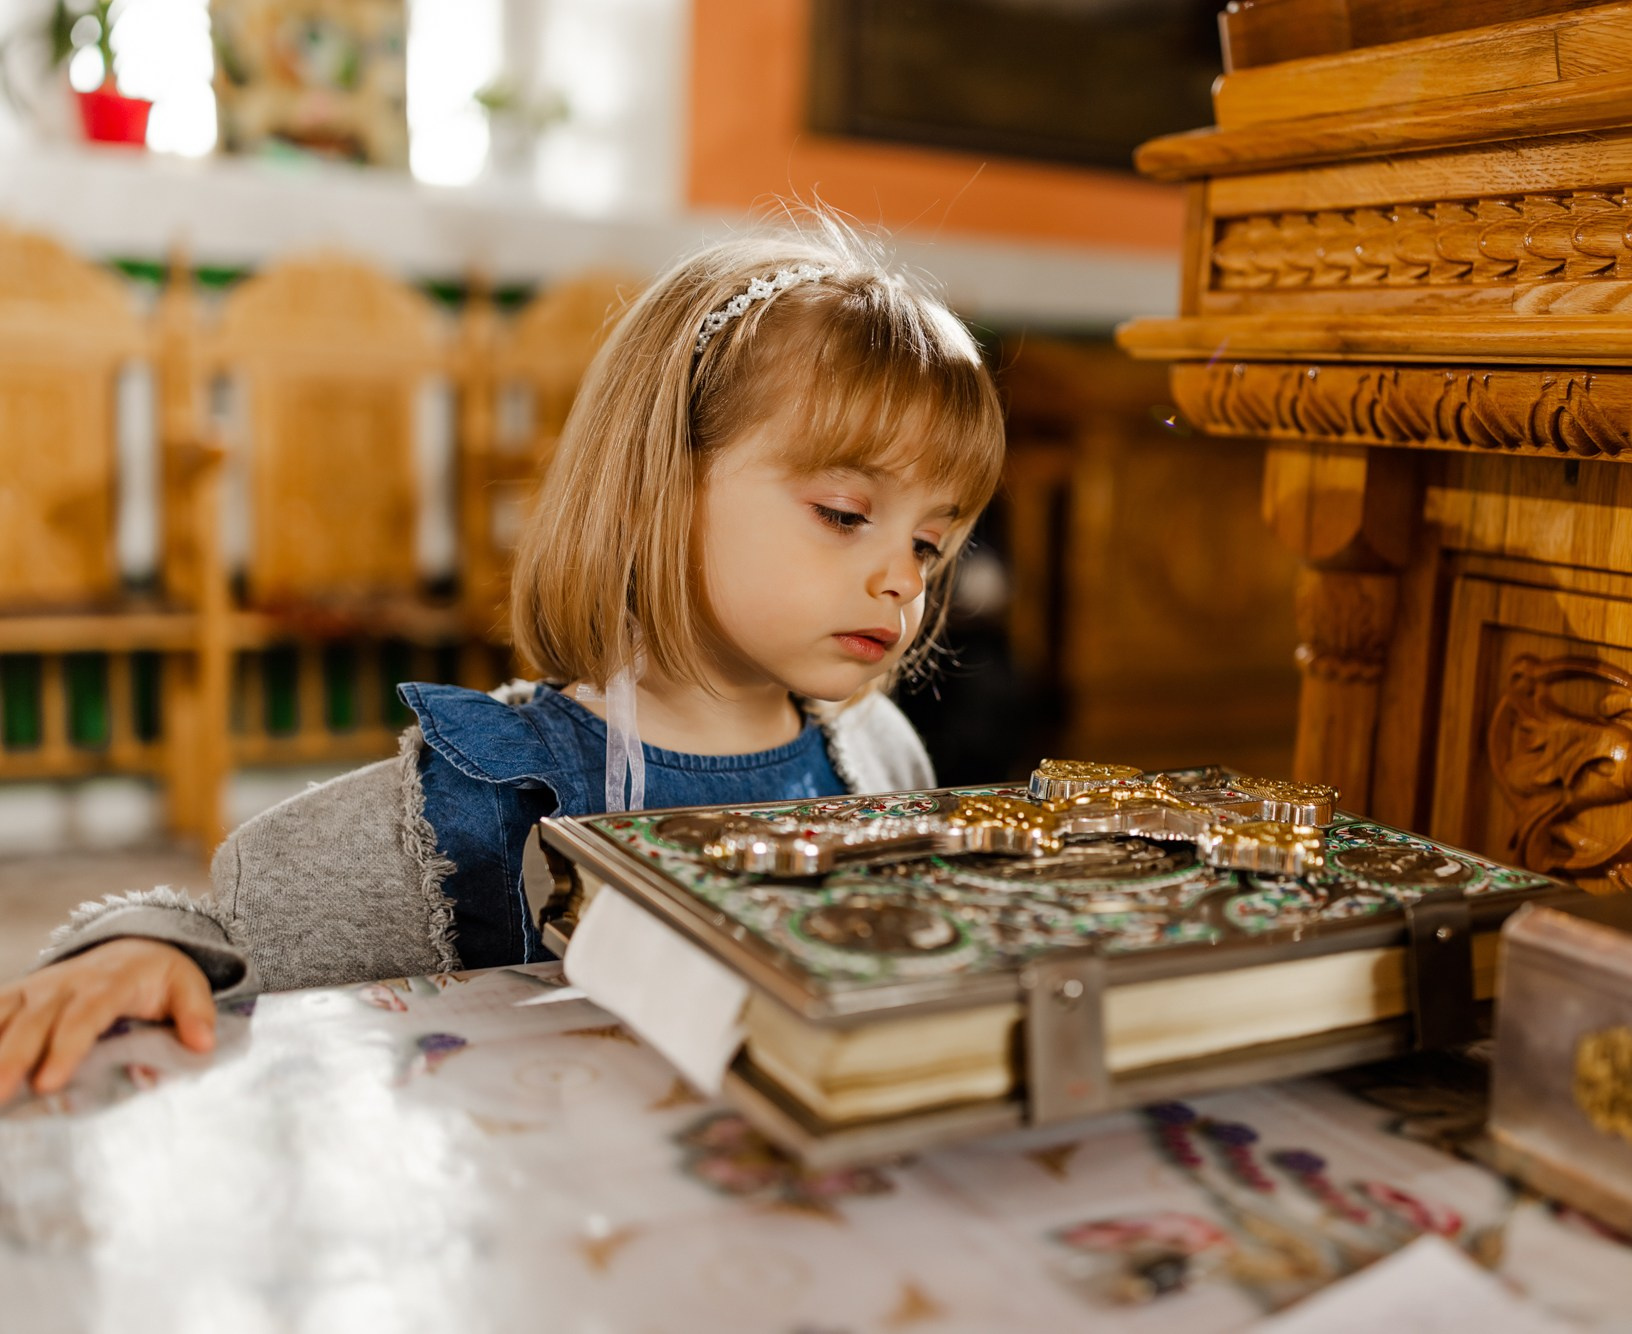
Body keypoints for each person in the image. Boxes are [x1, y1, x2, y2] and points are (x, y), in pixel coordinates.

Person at [0, 222, 1006, 1100]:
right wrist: (145, 948)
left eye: (929, 542)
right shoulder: (481, 798)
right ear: (652, 490)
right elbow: (217, 929)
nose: (902, 579)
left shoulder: (879, 757)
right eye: (845, 513)